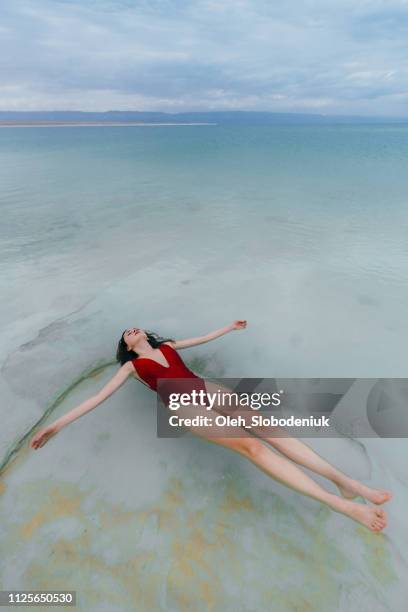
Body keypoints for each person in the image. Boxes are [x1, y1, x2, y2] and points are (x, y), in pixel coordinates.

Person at [30, 320, 391, 533]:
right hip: (183, 406)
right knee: (255, 448)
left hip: (205, 388)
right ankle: (342, 505)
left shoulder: (168, 345)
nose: (131, 330)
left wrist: (228, 327)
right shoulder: (130, 368)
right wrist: (57, 425)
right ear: (126, 346)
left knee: (269, 429)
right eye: (126, 334)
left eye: (134, 327)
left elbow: (201, 339)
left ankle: (347, 483)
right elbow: (97, 398)